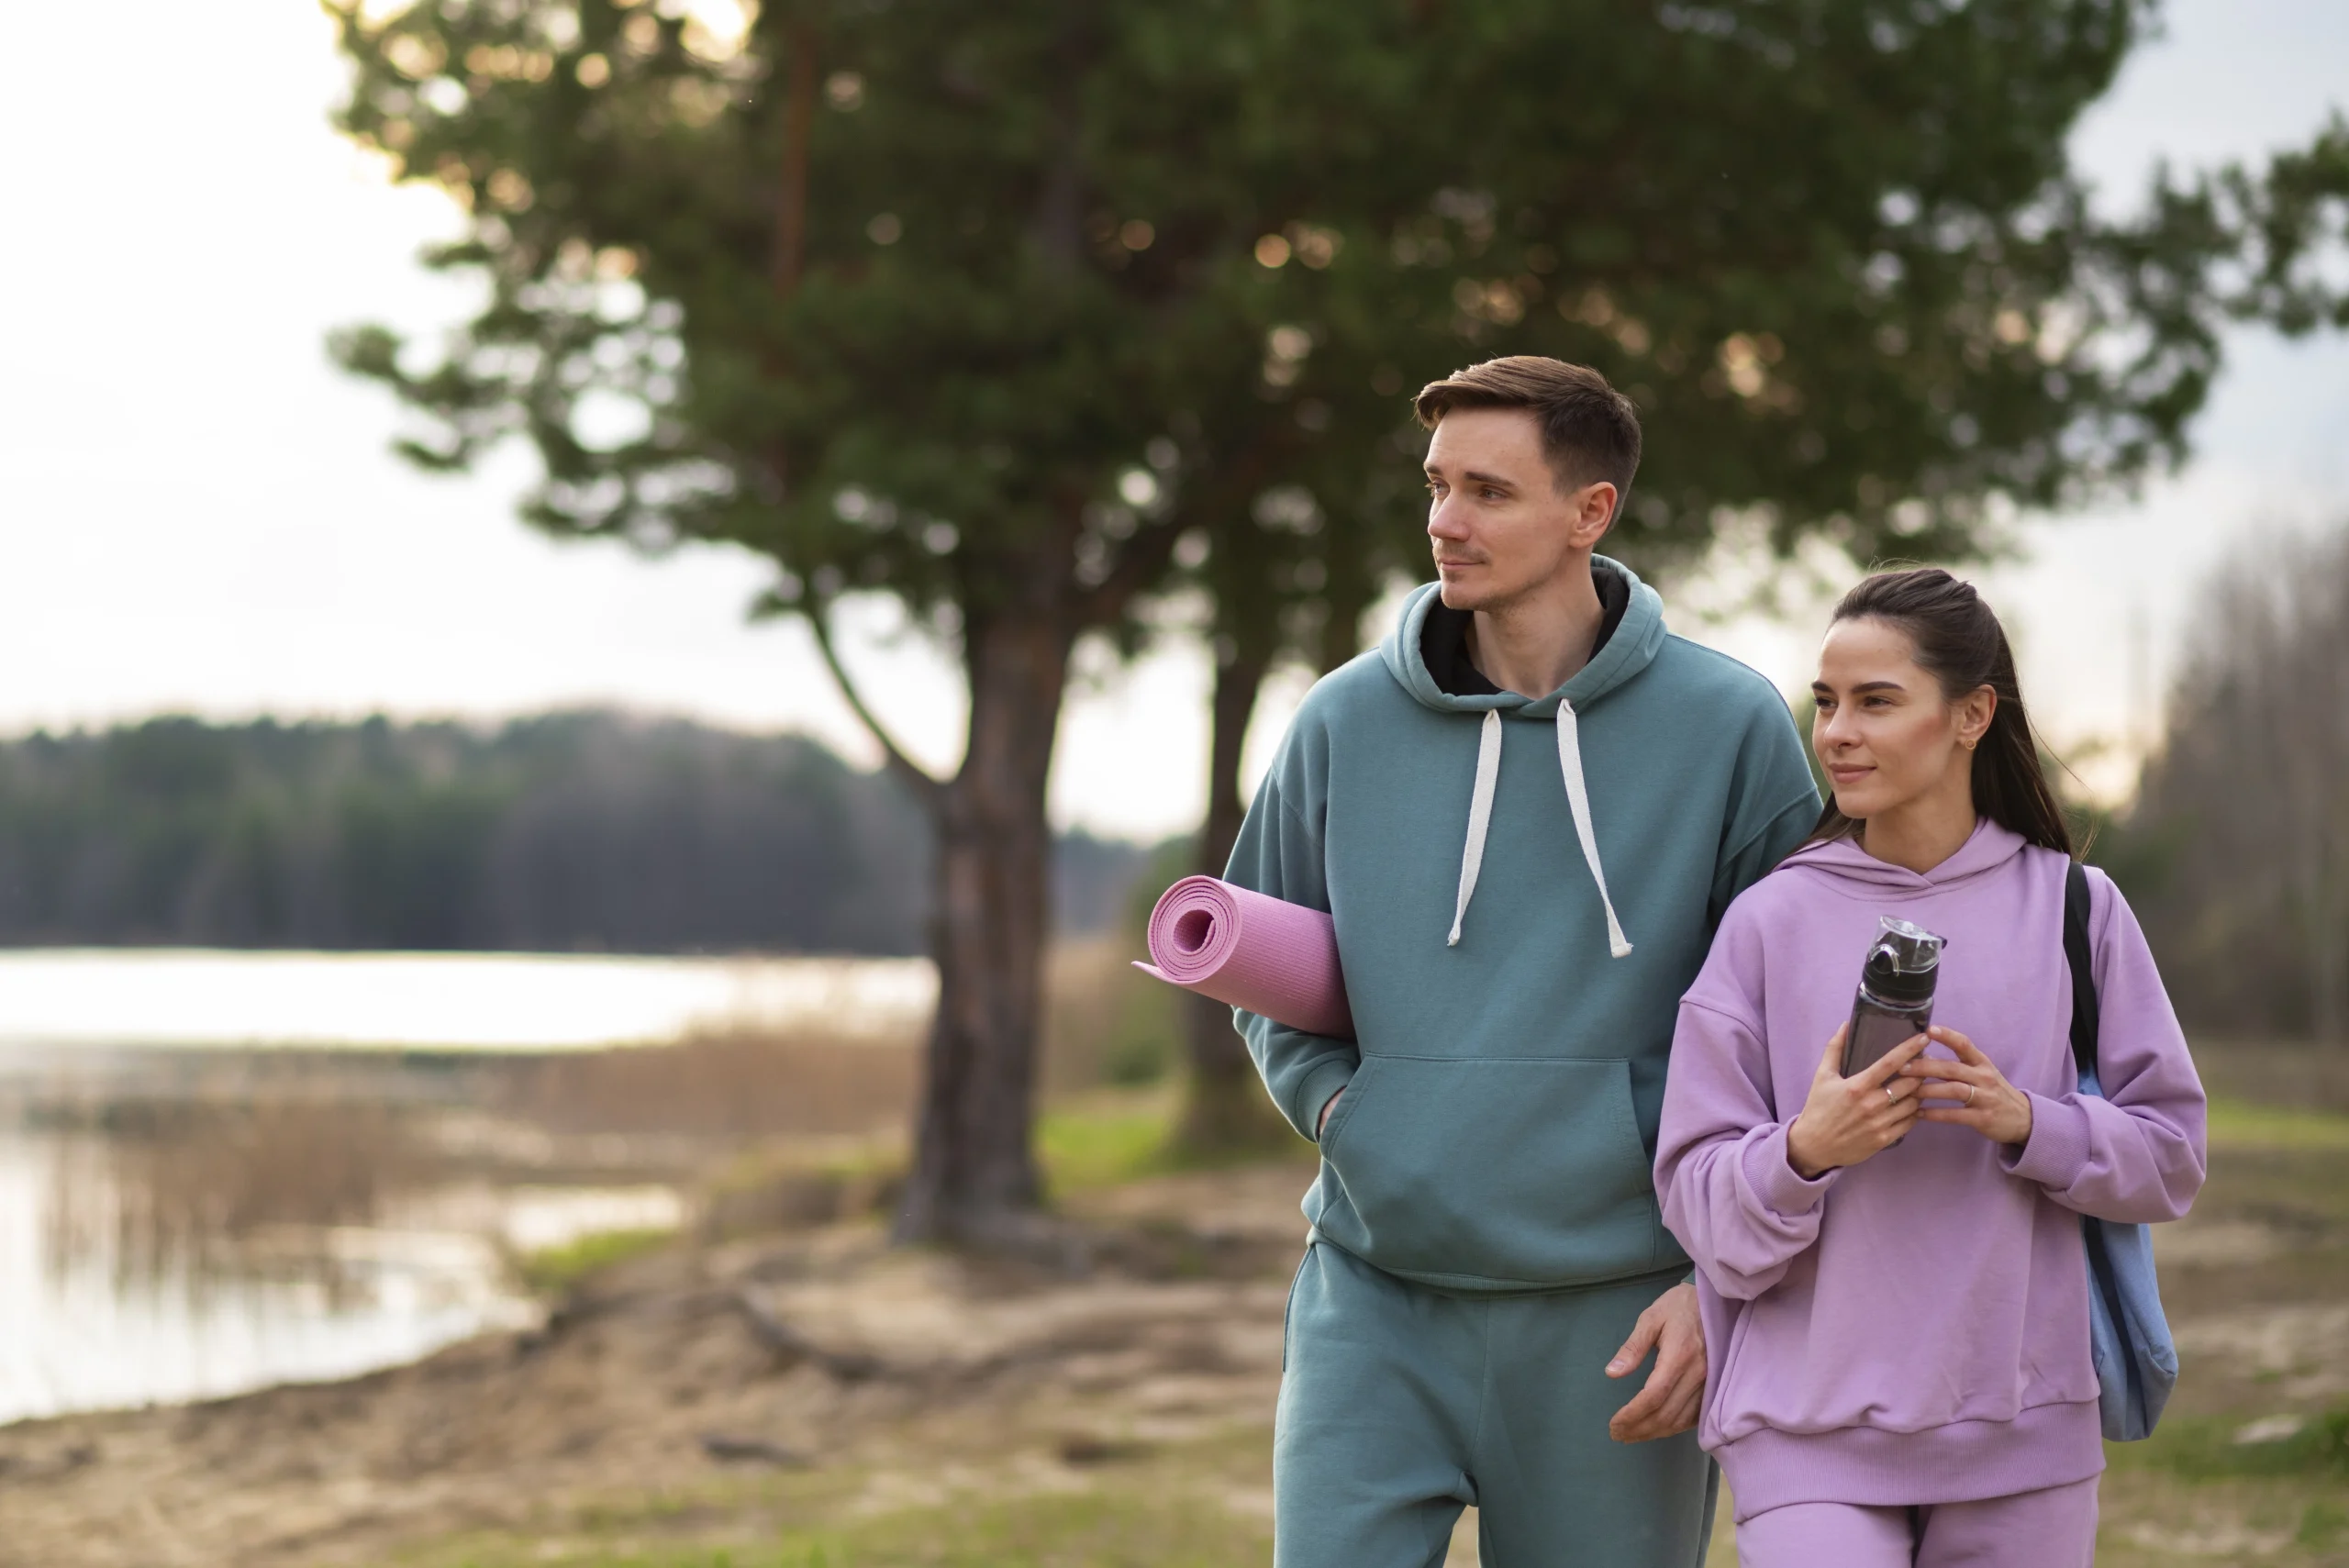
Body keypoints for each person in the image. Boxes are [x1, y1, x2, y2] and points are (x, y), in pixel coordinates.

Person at [1225, 355, 1821, 1566]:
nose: (1445, 520)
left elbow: (1801, 1024)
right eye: (1437, 486)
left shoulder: (1730, 728)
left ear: (1588, 513)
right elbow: (1259, 962)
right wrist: (1347, 1107)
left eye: (1488, 492)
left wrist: (1725, 1280)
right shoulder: (1341, 720)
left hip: (1620, 1311)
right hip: (1373, 1295)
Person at [1653, 568, 2209, 1567]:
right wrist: (1802, 1151)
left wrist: (2028, 1121)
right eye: (1825, 701)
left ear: (1971, 715)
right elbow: (1693, 1192)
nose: (1835, 732)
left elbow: (2170, 1157)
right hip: (1802, 1429)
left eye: (1875, 700)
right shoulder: (1767, 921)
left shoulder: (2076, 910)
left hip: (2023, 1433)